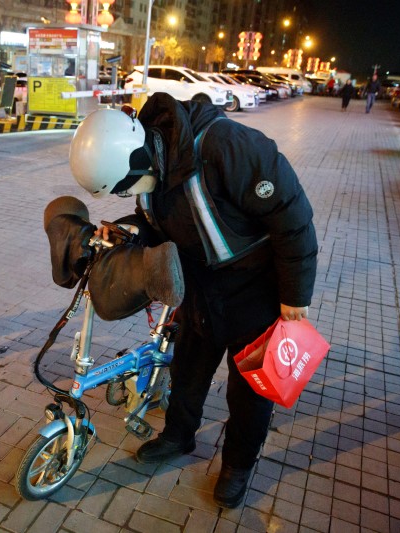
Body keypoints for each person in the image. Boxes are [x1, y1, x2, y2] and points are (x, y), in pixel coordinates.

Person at [67, 93, 318, 508]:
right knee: (187, 368)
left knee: (250, 388)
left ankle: (238, 463)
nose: (129, 192)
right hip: (198, 284)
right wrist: (129, 232)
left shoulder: (227, 146)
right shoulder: (152, 166)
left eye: (126, 185)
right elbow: (159, 220)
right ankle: (178, 436)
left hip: (254, 287)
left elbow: (292, 216)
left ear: (139, 157)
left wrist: (295, 295)